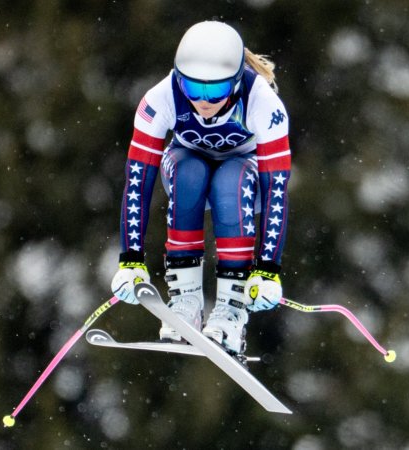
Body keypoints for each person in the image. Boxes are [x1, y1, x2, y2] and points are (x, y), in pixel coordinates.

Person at [109, 21, 291, 355]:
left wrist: (268, 270)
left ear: (236, 83)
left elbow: (276, 187)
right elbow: (138, 178)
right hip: (186, 165)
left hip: (246, 177)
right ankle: (186, 301)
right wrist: (130, 260)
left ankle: (231, 310)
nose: (203, 102)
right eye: (193, 89)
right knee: (188, 172)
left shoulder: (264, 104)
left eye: (215, 92)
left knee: (228, 182)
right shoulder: (160, 97)